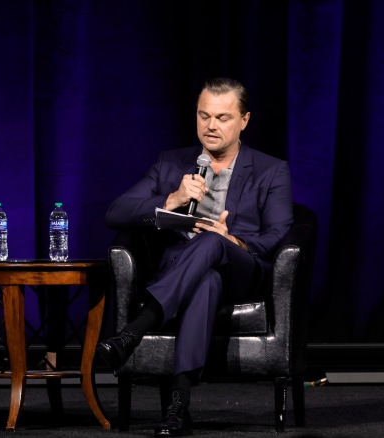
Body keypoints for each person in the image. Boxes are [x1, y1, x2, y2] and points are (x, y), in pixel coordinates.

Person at [96, 78, 293, 437]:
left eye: (222, 117)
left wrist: (231, 239)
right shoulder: (171, 164)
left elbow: (277, 234)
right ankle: (179, 408)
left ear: (244, 120)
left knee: (214, 243)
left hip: (242, 268)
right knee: (206, 280)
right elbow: (115, 212)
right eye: (204, 116)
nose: (211, 126)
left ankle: (134, 331)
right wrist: (170, 199)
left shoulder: (271, 169)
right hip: (188, 271)